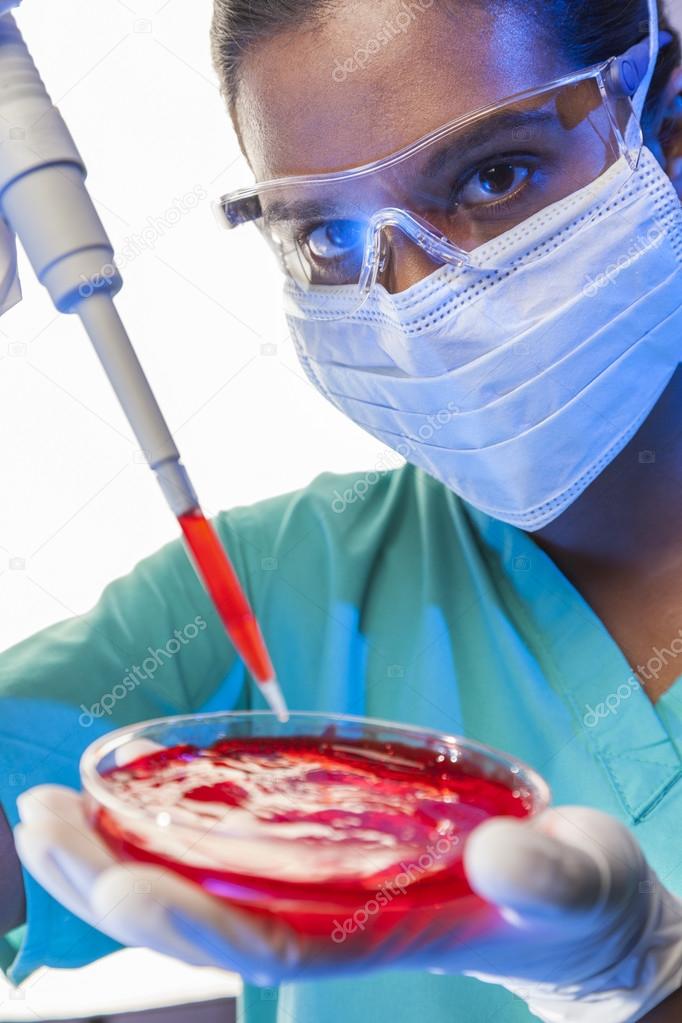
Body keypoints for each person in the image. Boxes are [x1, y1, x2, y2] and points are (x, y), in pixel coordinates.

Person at [2, 0, 682, 1019]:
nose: (409, 298)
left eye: (493, 176)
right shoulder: (273, 588)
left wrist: (650, 982)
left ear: (664, 124)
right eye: (327, 232)